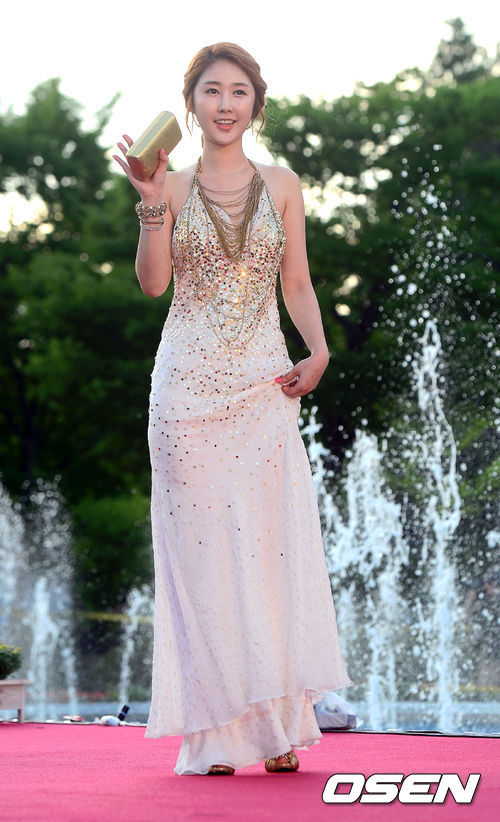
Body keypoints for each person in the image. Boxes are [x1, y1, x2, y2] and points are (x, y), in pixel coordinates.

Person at [112, 41, 353, 776]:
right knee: (203, 561)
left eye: (238, 91)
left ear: (256, 104)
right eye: (211, 90)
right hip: (185, 395)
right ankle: (214, 733)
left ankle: (276, 727)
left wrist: (318, 350)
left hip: (263, 387)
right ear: (191, 103)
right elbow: (153, 285)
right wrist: (151, 202)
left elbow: (298, 283)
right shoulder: (172, 184)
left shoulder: (283, 184)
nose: (224, 103)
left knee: (268, 554)